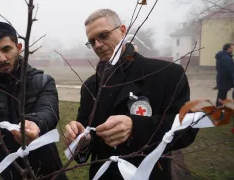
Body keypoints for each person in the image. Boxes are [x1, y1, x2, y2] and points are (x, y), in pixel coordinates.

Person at [64, 9, 198, 180]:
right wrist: (79, 141)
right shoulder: (90, 86)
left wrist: (136, 126)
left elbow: (186, 128)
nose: (97, 45)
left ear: (122, 30)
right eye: (92, 41)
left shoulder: (167, 74)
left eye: (103, 36)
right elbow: (86, 141)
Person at [0, 22, 67, 180]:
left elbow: (49, 112)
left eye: (6, 49)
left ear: (18, 48)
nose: (1, 58)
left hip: (46, 169)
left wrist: (35, 123)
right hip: (1, 170)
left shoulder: (43, 81)